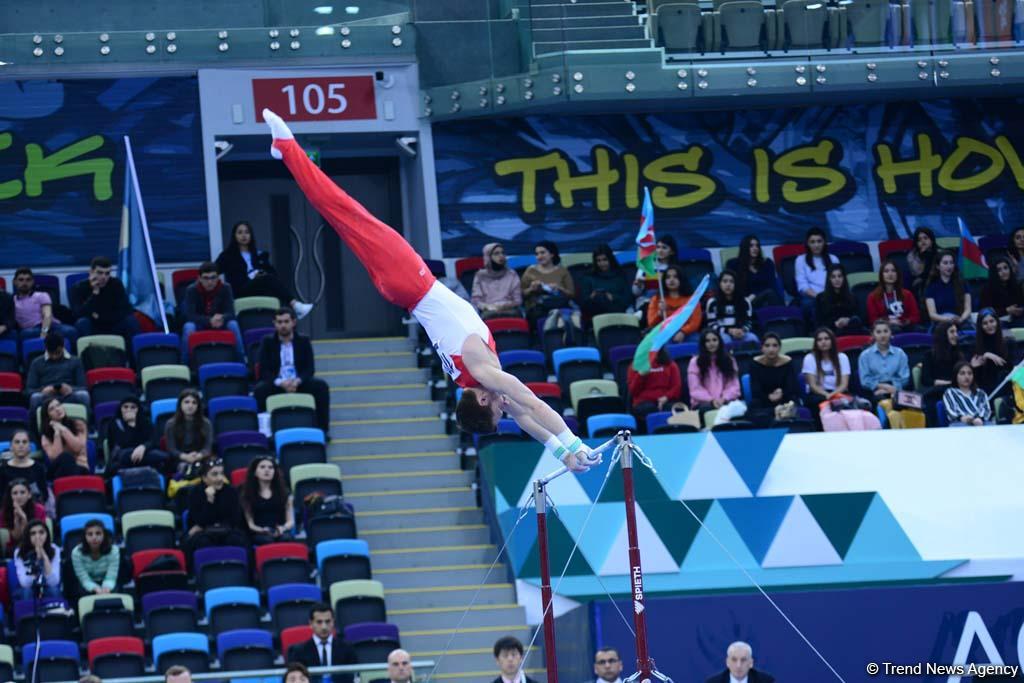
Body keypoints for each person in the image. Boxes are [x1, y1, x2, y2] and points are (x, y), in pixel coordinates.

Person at [264, 109, 593, 470]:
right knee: (343, 217)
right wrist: (565, 453)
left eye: (499, 411)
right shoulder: (476, 381)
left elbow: (530, 401)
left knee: (347, 212)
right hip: (402, 290)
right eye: (502, 412)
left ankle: (288, 148)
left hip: (411, 282)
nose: (505, 408)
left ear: (482, 401)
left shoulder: (482, 373)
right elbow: (527, 415)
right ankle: (288, 155)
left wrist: (575, 442)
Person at [253, 308, 332, 435]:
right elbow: (264, 370)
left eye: (286, 321)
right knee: (259, 390)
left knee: (321, 386)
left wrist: (297, 381)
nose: (283, 325)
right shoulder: (267, 342)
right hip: (278, 383)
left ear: (293, 322)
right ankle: (265, 432)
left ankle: (322, 429)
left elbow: (310, 368)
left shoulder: (304, 341)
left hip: (298, 382)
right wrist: (280, 382)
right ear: (274, 323)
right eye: (279, 322)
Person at [215, 220, 313, 318]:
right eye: (240, 232)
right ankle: (295, 306)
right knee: (269, 281)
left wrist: (261, 274)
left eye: (247, 232)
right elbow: (213, 271)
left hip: (259, 288)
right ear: (234, 236)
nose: (244, 235)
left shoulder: (260, 255)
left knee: (272, 283)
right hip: (240, 290)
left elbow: (273, 274)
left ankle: (285, 320)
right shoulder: (227, 256)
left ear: (251, 235)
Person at [179, 261, 245, 361]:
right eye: (206, 278)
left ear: (218, 277)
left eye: (213, 278)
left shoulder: (226, 288)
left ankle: (242, 361)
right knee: (188, 327)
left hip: (220, 322)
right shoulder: (191, 290)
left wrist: (222, 317)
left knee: (233, 324)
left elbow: (231, 313)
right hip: (200, 323)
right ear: (199, 278)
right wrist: (209, 320)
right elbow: (190, 316)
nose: (210, 282)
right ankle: (185, 364)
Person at [184, 456, 247, 554]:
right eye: (214, 474)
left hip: (227, 531)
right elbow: (199, 520)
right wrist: (210, 501)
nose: (220, 478)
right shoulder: (195, 492)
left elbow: (235, 519)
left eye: (221, 474)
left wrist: (216, 525)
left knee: (238, 540)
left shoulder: (231, 491)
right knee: (202, 542)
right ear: (204, 478)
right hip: (203, 533)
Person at [70, 256, 141, 341]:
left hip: (113, 324)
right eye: (100, 273)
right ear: (91, 272)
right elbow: (78, 314)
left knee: (130, 321)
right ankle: (88, 353)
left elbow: (126, 310)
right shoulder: (79, 287)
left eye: (107, 273)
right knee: (83, 323)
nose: (104, 277)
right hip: (93, 326)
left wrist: (98, 316)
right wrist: (95, 293)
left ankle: (133, 353)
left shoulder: (116, 284)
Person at [286, 603, 358, 683]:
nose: (324, 627)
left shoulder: (347, 648)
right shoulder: (298, 651)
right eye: (319, 622)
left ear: (333, 622)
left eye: (327, 621)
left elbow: (353, 677)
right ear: (311, 623)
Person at [26, 332, 90, 414]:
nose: (54, 357)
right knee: (35, 398)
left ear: (63, 347)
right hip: (47, 397)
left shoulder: (75, 361)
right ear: (46, 348)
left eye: (57, 353)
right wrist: (43, 390)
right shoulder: (36, 363)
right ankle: (34, 427)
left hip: (69, 395)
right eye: (51, 353)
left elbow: (83, 387)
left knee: (83, 395)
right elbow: (29, 390)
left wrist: (71, 389)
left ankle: (87, 425)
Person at [747, 333, 801, 427]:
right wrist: (769, 397)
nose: (771, 349)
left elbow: (792, 387)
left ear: (779, 348)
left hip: (785, 398)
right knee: (754, 410)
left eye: (775, 345)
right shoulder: (754, 364)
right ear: (762, 348)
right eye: (767, 345)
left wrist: (782, 393)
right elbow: (755, 390)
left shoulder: (788, 362)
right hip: (763, 401)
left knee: (793, 404)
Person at [105, 396, 168, 474]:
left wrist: (143, 447)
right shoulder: (114, 423)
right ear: (120, 408)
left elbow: (153, 440)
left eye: (133, 407)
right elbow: (122, 443)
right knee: (124, 456)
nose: (129, 410)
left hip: (145, 454)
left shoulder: (146, 422)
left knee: (163, 457)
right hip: (123, 457)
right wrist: (131, 424)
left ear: (138, 409)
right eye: (125, 407)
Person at [240, 456, 295, 545]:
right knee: (266, 541)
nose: (267, 470)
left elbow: (290, 521)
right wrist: (262, 530)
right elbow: (251, 525)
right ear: (255, 472)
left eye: (270, 467)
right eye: (262, 467)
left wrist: (282, 528)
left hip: (280, 530)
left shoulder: (284, 493)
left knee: (286, 539)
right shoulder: (247, 494)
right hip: (258, 531)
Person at [12, 267, 76, 341]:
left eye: (28, 280)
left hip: (50, 326)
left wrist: (44, 333)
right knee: (26, 334)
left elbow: (47, 315)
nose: (24, 283)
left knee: (71, 331)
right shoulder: (12, 300)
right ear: (15, 282)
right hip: (30, 329)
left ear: (32, 282)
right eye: (21, 280)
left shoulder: (41, 295)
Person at [521, 241, 575, 327]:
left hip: (559, 305)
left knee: (567, 316)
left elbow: (572, 294)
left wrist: (560, 288)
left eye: (542, 253)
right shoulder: (530, 271)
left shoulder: (562, 271)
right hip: (537, 308)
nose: (539, 256)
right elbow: (521, 294)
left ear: (552, 254)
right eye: (537, 254)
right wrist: (531, 289)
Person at [627, 348, 683, 428]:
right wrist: (641, 375)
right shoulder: (635, 365)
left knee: (676, 409)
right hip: (644, 402)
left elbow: (676, 386)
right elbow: (633, 391)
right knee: (649, 409)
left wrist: (666, 397)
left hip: (666, 400)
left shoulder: (670, 364)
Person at [857, 320, 910, 405]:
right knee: (882, 401)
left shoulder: (900, 353)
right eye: (878, 332)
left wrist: (893, 388)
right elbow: (865, 380)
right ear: (873, 335)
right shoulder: (865, 355)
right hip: (874, 391)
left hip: (897, 390)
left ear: (891, 333)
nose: (883, 335)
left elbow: (904, 378)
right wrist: (882, 387)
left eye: (886, 331)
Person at [687, 329, 741, 412]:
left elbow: (734, 386)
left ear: (720, 342)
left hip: (725, 401)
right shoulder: (694, 362)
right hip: (703, 403)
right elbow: (695, 389)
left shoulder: (729, 360)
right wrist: (712, 400)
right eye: (707, 341)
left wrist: (724, 398)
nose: (711, 343)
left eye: (714, 340)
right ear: (703, 344)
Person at [795, 227, 840, 323]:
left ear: (824, 242)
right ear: (807, 243)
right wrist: (819, 297)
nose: (816, 245)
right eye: (812, 242)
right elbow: (802, 286)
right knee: (812, 305)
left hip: (831, 295)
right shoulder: (800, 260)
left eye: (819, 241)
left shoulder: (833, 259)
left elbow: (839, 280)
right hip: (811, 297)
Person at [726, 234, 783, 308]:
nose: (755, 248)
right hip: (745, 301)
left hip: (766, 297)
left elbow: (771, 285)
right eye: (751, 246)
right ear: (745, 248)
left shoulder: (767, 263)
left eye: (757, 246)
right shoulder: (733, 264)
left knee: (770, 294)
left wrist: (755, 294)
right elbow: (734, 287)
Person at [163, 389, 213, 475]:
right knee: (185, 469)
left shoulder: (206, 423)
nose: (190, 405)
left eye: (194, 403)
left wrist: (198, 456)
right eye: (186, 402)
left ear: (198, 406)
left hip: (200, 458)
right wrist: (186, 457)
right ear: (180, 404)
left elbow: (207, 447)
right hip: (179, 460)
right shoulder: (170, 424)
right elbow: (171, 449)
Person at [922, 322, 964, 421]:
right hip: (936, 392)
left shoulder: (959, 355)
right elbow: (926, 380)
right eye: (952, 332)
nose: (956, 335)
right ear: (943, 335)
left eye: (956, 332)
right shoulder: (929, 355)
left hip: (956, 390)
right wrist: (947, 383)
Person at [646, 266, 702, 340]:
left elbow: (695, 322)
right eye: (668, 277)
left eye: (675, 277)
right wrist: (659, 313)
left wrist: (683, 332)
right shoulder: (657, 299)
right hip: (663, 333)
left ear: (681, 279)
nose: (671, 280)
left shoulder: (692, 299)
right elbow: (651, 323)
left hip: (687, 333)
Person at [0, 430, 50, 512]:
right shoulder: (3, 470)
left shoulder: (39, 468)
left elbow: (44, 495)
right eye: (17, 442)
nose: (21, 445)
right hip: (8, 512)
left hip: (33, 511)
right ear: (11, 446)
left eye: (24, 442)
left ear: (29, 446)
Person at [40, 397, 90, 478]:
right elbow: (57, 457)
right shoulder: (46, 436)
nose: (57, 409)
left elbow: (77, 447)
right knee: (65, 458)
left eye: (58, 405)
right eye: (52, 409)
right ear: (48, 416)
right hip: (60, 472)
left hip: (81, 469)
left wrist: (62, 429)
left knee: (67, 458)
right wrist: (57, 433)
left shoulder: (79, 425)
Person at [704, 270, 757, 346]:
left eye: (731, 282)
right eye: (725, 281)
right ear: (720, 284)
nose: (728, 284)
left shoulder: (745, 301)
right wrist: (729, 331)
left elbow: (748, 322)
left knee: (753, 338)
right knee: (726, 340)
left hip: (741, 332)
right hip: (721, 334)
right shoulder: (712, 302)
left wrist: (742, 330)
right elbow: (712, 325)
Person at [802, 327, 851, 409]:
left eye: (826, 339)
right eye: (819, 340)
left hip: (838, 392)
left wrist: (832, 395)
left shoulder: (842, 357)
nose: (823, 342)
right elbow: (813, 385)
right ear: (816, 343)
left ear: (832, 341)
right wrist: (826, 395)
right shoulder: (809, 358)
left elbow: (844, 385)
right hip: (818, 394)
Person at [578, 244, 632, 320]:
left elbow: (627, 298)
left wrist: (612, 297)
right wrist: (592, 296)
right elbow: (582, 301)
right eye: (598, 261)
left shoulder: (620, 276)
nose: (602, 264)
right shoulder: (588, 277)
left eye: (605, 260)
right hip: (594, 314)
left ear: (610, 259)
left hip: (617, 312)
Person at [471, 243, 523, 320]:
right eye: (496, 253)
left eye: (502, 253)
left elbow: (518, 300)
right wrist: (488, 307)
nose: (501, 256)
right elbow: (476, 300)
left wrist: (504, 305)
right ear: (488, 257)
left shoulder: (512, 274)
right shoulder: (480, 275)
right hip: (488, 310)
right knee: (486, 317)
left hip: (510, 310)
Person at [70, 518, 120, 598]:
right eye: (90, 534)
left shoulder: (114, 550)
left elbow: (111, 576)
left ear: (104, 535)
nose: (94, 537)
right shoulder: (76, 553)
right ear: (85, 537)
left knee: (114, 591)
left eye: (98, 533)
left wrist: (106, 589)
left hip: (107, 582)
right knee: (81, 591)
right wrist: (96, 589)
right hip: (87, 583)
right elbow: (83, 578)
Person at [866, 259, 921, 331]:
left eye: (893, 271)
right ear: (881, 275)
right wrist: (888, 322)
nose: (890, 274)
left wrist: (903, 322)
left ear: (897, 274)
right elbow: (873, 320)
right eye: (886, 271)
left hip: (904, 326)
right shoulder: (873, 297)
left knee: (920, 329)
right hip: (884, 328)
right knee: (895, 329)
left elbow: (915, 316)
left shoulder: (907, 294)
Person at [13, 518, 61, 601]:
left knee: (54, 591)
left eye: (41, 532)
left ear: (47, 534)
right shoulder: (19, 552)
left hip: (47, 586)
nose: (37, 537)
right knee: (27, 592)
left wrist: (44, 555)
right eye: (33, 533)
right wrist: (37, 561)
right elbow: (25, 583)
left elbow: (54, 582)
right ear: (28, 536)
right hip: (27, 588)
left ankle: (55, 614)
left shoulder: (55, 549)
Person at [925, 250, 972, 328]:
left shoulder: (962, 283)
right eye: (945, 263)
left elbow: (968, 309)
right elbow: (932, 314)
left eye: (951, 263)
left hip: (960, 320)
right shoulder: (931, 286)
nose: (949, 266)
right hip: (941, 322)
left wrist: (961, 319)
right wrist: (948, 319)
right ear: (938, 266)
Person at [815, 264, 864, 336]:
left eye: (839, 276)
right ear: (829, 279)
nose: (837, 279)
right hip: (831, 334)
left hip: (851, 330)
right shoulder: (820, 298)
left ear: (844, 278)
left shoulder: (853, 297)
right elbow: (819, 323)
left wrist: (848, 321)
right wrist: (835, 324)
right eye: (833, 277)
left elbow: (860, 319)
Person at [971, 309, 1011, 395]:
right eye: (985, 323)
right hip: (986, 389)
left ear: (997, 321)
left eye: (992, 321)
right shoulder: (976, 346)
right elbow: (976, 378)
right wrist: (986, 355)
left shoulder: (1008, 342)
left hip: (1006, 385)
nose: (989, 325)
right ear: (980, 326)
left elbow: (1011, 369)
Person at [0, 479, 47, 553]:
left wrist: (24, 519)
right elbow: (16, 538)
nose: (19, 496)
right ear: (10, 496)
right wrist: (17, 519)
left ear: (29, 495)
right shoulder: (4, 513)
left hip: (36, 544)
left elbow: (39, 534)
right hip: (12, 549)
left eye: (22, 492)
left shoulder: (39, 509)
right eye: (15, 493)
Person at [632, 235, 678, 309]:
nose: (660, 250)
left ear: (672, 252)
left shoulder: (675, 269)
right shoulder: (646, 266)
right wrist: (638, 285)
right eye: (658, 247)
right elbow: (636, 293)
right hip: (646, 303)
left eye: (664, 248)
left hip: (668, 304)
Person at [943, 362, 992, 426]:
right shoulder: (950, 392)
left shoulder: (981, 393)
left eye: (970, 373)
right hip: (959, 422)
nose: (967, 377)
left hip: (981, 422)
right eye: (962, 373)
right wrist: (962, 418)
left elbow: (987, 410)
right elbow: (950, 411)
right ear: (956, 376)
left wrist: (980, 418)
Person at [979, 255, 1024, 326]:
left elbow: (1020, 303)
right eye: (999, 270)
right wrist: (1006, 310)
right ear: (994, 273)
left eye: (1006, 268)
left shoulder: (1016, 285)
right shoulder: (987, 289)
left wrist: (1020, 310)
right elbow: (985, 311)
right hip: (998, 321)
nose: (1004, 272)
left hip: (1017, 319)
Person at [704, 641, 775, 683]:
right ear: (727, 662)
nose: (738, 665)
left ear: (751, 663)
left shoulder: (766, 681)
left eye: (743, 660)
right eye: (734, 660)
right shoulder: (713, 682)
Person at [906, 227, 939, 295]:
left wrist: (929, 255)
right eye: (919, 240)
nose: (923, 241)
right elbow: (917, 273)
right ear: (916, 243)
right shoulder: (912, 256)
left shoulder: (941, 253)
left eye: (925, 238)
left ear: (931, 240)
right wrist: (925, 256)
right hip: (922, 286)